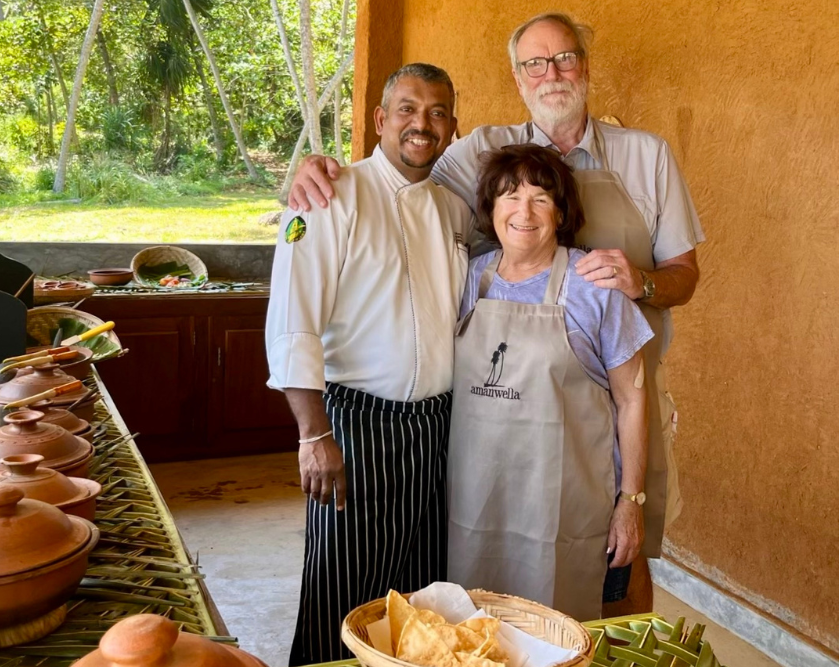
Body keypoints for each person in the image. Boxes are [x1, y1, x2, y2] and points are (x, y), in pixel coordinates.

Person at [285, 12, 705, 614]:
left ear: (584, 67)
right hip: (489, 430)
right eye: (535, 63)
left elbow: (686, 277)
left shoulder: (647, 157)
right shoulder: (478, 151)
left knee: (618, 562)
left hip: (618, 397)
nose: (551, 73)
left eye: (563, 58)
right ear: (517, 76)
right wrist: (327, 173)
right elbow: (409, 181)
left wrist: (639, 281)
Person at [265, 63, 474, 665]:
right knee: (344, 588)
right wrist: (313, 434)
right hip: (354, 426)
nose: (422, 124)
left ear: (452, 128)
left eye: (437, 113)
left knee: (420, 595)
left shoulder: (451, 211)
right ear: (381, 120)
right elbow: (292, 321)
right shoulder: (330, 197)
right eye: (407, 109)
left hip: (437, 426)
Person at [449, 144, 652, 620]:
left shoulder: (593, 285)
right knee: (472, 629)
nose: (524, 211)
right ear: (490, 209)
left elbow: (632, 400)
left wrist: (631, 502)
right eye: (509, 196)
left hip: (563, 509)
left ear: (561, 213)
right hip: (476, 504)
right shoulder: (469, 278)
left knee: (558, 629)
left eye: (541, 198)